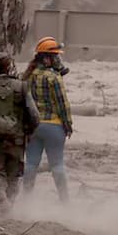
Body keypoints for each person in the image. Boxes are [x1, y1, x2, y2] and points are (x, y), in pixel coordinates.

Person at [23, 37, 73, 202]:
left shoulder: (27, 76)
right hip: (54, 127)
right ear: (46, 58)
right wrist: (68, 125)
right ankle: (65, 201)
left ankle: (27, 200)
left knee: (31, 164)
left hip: (34, 127)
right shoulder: (53, 78)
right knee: (57, 165)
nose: (58, 60)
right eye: (55, 56)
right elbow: (62, 104)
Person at [0, 52, 38, 214]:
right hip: (17, 138)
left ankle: (3, 202)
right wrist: (29, 132)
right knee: (14, 174)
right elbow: (34, 115)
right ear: (8, 66)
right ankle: (9, 205)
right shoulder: (21, 86)